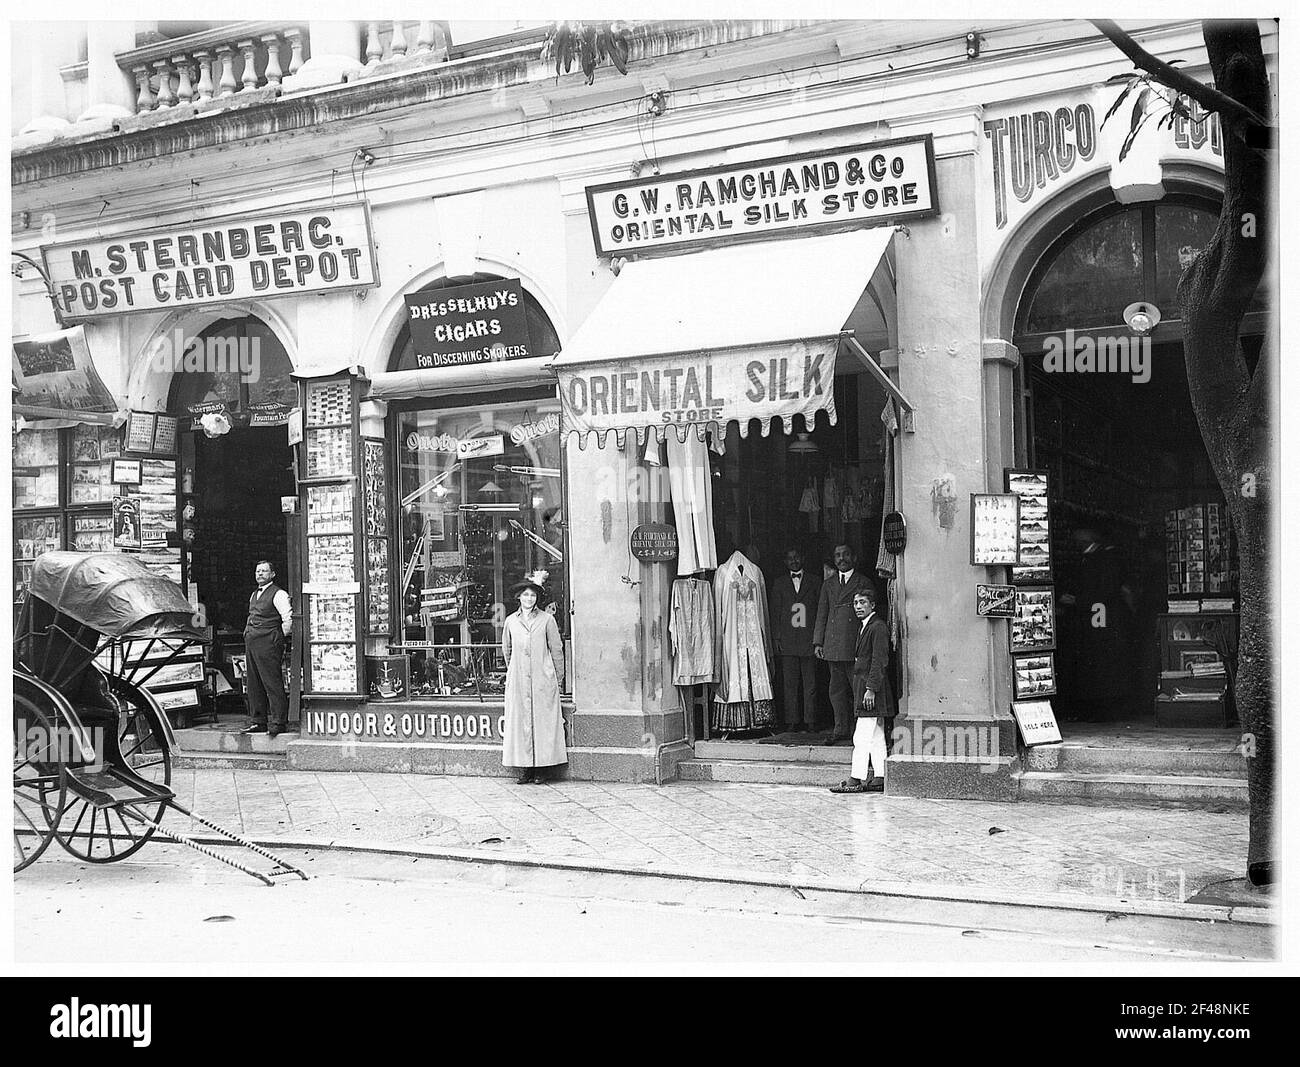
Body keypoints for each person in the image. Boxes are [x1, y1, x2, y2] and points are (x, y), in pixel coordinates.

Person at [830, 586, 895, 794]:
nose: (858, 607)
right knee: (876, 735)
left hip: (871, 691)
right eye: (856, 603)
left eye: (863, 603)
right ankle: (879, 777)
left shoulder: (877, 627)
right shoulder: (866, 626)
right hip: (867, 689)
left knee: (861, 736)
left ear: (872, 605)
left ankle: (855, 778)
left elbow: (879, 660)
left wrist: (871, 689)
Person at [502, 579, 567, 784]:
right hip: (519, 678)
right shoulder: (511, 621)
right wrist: (515, 669)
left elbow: (556, 650)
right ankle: (525, 769)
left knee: (543, 723)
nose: (529, 598)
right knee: (520, 723)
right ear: (518, 598)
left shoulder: (547, 619)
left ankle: (543, 769)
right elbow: (507, 650)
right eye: (525, 595)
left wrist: (557, 676)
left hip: (542, 678)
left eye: (532, 595)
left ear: (537, 598)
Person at [813, 543, 871, 745]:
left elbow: (869, 617)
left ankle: (859, 731)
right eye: (837, 555)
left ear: (853, 557)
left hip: (854, 644)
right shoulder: (828, 584)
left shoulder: (862, 582)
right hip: (833, 644)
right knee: (836, 691)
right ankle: (840, 729)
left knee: (858, 690)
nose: (841, 558)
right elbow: (822, 613)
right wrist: (818, 642)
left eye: (846, 554)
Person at [769, 546, 822, 731]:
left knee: (811, 684)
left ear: (803, 558)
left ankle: (811, 721)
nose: (794, 561)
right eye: (790, 558)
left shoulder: (815, 581)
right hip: (788, 641)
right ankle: (792, 721)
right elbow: (775, 613)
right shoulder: (779, 583)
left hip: (809, 640)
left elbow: (820, 611)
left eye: (797, 557)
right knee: (789, 684)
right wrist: (776, 638)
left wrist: (818, 639)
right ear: (785, 562)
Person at [242, 560, 292, 737]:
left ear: (272, 574)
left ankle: (279, 721)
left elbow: (288, 620)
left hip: (269, 643)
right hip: (252, 643)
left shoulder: (279, 594)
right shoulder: (254, 594)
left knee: (272, 682)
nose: (260, 574)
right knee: (254, 683)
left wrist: (277, 638)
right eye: (257, 571)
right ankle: (258, 721)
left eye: (264, 571)